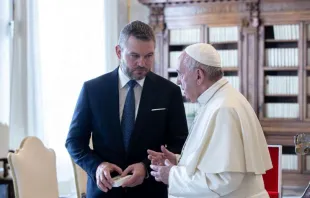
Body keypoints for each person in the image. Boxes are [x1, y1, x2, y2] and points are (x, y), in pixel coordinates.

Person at [65, 20, 188, 198]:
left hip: (150, 192)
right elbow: (74, 142)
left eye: (149, 56)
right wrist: (97, 166)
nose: (142, 63)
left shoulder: (169, 92)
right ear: (118, 52)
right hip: (104, 192)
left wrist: (145, 167)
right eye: (134, 56)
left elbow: (180, 143)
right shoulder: (93, 90)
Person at [148, 43, 273, 198]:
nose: (178, 81)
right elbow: (212, 162)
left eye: (180, 74)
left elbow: (224, 180)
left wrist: (172, 175)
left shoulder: (224, 108)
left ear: (199, 76)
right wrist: (178, 160)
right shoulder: (218, 101)